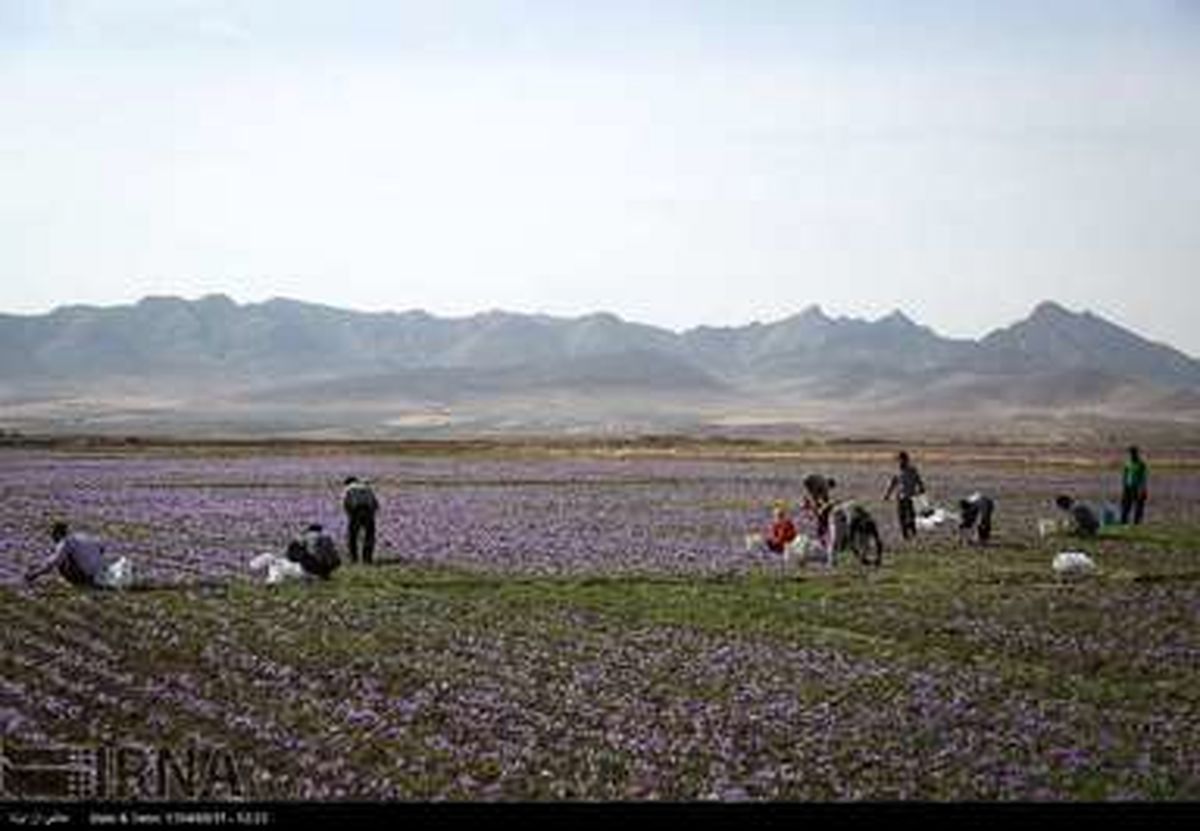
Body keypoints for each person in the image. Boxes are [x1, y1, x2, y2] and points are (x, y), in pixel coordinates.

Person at [24, 522, 132, 589]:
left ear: (57, 534)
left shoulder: (65, 543)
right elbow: (101, 547)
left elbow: (52, 564)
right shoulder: (80, 536)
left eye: (53, 536)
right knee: (66, 557)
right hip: (99, 571)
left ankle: (81, 584)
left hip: (87, 576)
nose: (53, 539)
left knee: (62, 563)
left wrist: (34, 574)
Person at [883, 451, 925, 540]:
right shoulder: (897, 471)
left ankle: (913, 533)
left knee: (911, 516)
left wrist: (921, 489)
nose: (900, 462)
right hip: (900, 497)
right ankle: (905, 535)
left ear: (906, 460)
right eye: (899, 460)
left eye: (901, 460)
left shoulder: (912, 470)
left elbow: (918, 480)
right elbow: (893, 483)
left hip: (910, 497)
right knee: (901, 516)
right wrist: (887, 494)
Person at [342, 476, 379, 564]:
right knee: (369, 536)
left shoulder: (349, 488)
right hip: (368, 512)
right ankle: (367, 559)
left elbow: (346, 503)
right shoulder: (367, 487)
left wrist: (350, 515)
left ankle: (354, 559)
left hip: (356, 512)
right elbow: (375, 504)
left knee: (352, 537)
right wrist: (371, 515)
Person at [801, 474, 837, 542]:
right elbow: (819, 499)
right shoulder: (824, 487)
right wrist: (820, 506)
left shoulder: (821, 482)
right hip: (819, 507)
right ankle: (822, 534)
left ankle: (821, 534)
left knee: (821, 518)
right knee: (821, 519)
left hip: (818, 504)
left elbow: (817, 498)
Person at [1120, 446, 1149, 526]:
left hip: (1138, 487)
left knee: (1139, 505)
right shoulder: (1127, 463)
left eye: (1133, 453)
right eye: (1130, 453)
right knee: (1126, 505)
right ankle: (1124, 521)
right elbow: (1125, 475)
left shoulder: (1141, 464)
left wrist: (1143, 489)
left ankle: (1137, 522)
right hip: (1128, 487)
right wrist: (1124, 485)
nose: (1131, 455)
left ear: (1136, 454)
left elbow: (1143, 477)